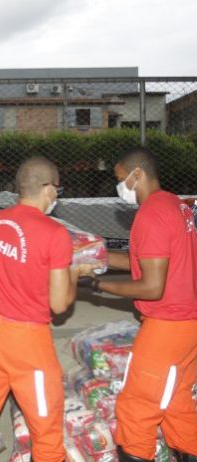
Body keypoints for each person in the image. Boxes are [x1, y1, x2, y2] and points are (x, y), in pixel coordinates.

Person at [0, 157, 97, 462]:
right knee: (46, 430)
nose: (57, 195)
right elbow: (59, 304)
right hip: (28, 343)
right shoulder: (55, 234)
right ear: (48, 188)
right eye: (57, 188)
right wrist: (76, 274)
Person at [79, 148, 197, 462]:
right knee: (176, 406)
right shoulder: (174, 204)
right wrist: (93, 259)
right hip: (187, 326)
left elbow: (152, 286)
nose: (121, 188)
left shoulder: (151, 213)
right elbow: (143, 261)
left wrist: (96, 285)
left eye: (121, 180)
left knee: (135, 410)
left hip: (167, 328)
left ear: (137, 175)